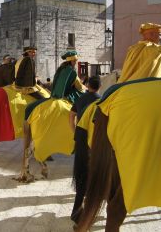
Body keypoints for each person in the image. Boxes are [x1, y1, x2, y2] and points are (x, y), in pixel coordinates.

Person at [69, 76, 101, 224]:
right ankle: (89, 210)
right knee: (93, 173)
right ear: (99, 87)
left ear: (88, 86)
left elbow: (71, 115)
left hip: (81, 135)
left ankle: (76, 210)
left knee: (81, 171)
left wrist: (74, 131)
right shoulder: (101, 100)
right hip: (94, 138)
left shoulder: (80, 98)